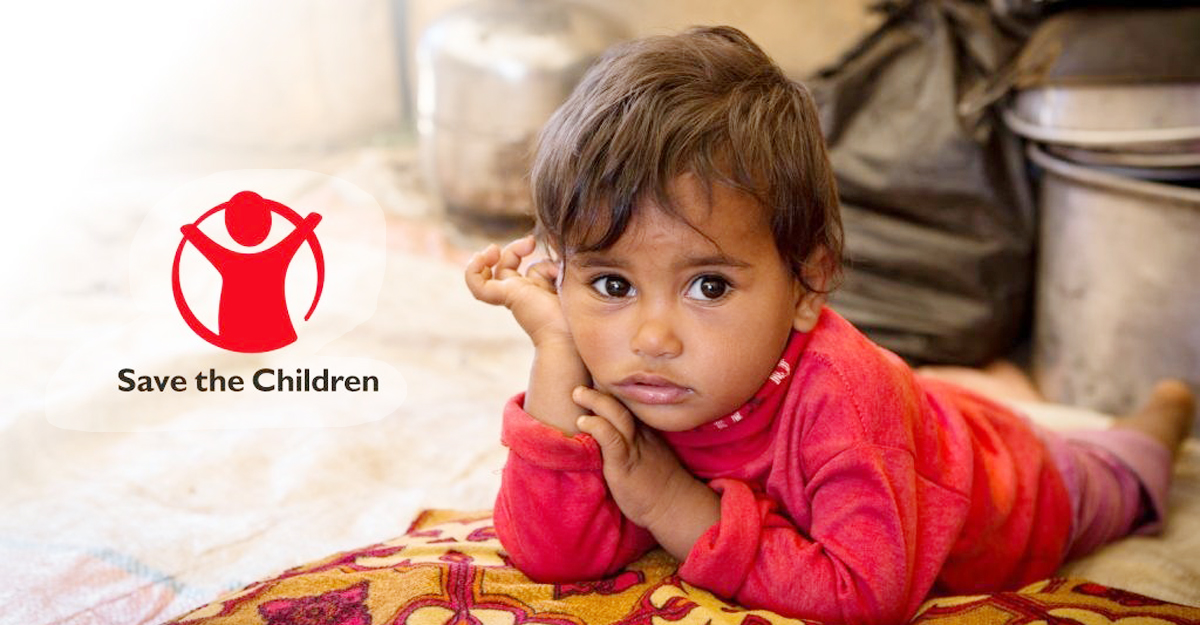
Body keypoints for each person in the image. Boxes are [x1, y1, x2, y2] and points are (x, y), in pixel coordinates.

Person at [462, 26, 1194, 625]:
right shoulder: (614, 363)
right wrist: (555, 345)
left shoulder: (844, 399)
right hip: (927, 426)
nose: (652, 338)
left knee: (1116, 470)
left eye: (709, 285)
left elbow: (865, 594)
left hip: (1025, 488)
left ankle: (1160, 417)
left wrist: (671, 504)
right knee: (944, 407)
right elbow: (552, 552)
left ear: (808, 283)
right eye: (612, 283)